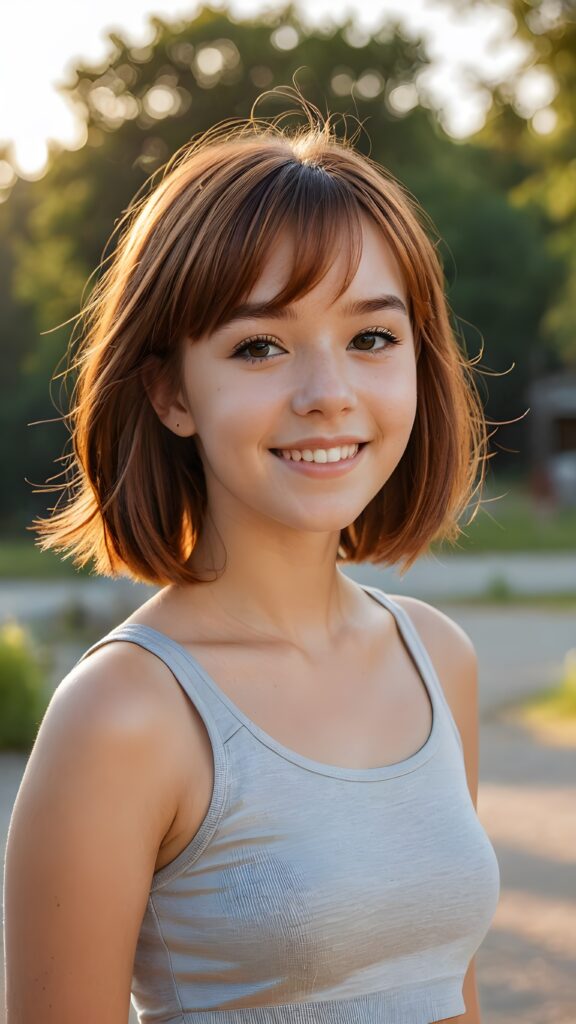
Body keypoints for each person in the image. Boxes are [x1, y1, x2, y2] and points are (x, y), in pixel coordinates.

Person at [4, 88, 501, 1024]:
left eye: (370, 338)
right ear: (171, 394)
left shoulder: (440, 659)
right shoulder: (123, 715)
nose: (328, 393)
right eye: (261, 345)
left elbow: (450, 994)